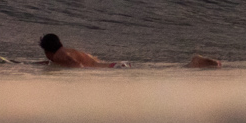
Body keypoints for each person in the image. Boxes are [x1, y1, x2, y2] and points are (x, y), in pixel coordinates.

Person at [37, 33, 221, 69]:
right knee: (156, 71)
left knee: (161, 73)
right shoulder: (65, 51)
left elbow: (76, 65)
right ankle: (192, 64)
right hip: (112, 66)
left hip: (111, 69)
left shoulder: (61, 55)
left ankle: (194, 63)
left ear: (47, 50)